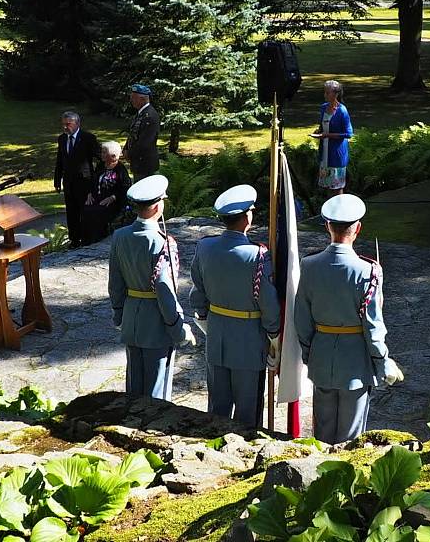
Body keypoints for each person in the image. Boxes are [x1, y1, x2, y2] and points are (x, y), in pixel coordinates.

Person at [294, 194, 404, 444]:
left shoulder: (309, 265)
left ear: (327, 226)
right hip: (356, 361)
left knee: (321, 433)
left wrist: (309, 352)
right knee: (350, 437)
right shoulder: (369, 271)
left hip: (321, 354)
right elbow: (373, 325)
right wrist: (382, 359)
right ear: (357, 229)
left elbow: (301, 316)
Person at [190, 185, 281, 427]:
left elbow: (197, 292)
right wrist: (274, 335)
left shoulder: (205, 247)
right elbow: (268, 302)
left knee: (217, 407)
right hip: (249, 340)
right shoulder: (258, 255)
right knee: (247, 411)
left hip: (217, 333)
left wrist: (205, 320)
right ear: (247, 217)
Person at [108, 174, 195, 400]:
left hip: (131, 320)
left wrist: (119, 315)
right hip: (156, 326)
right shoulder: (161, 242)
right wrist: (178, 328)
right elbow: (165, 291)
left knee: (133, 390)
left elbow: (115, 282)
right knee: (157, 395)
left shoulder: (120, 236)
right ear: (157, 206)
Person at [54, 111, 100, 249]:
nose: (65, 127)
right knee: (71, 212)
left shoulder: (88, 138)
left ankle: (87, 239)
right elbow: (60, 160)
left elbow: (99, 157)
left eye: (68, 124)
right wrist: (57, 180)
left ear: (77, 123)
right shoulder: (62, 139)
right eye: (63, 124)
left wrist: (95, 178)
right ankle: (74, 240)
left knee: (84, 211)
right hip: (69, 182)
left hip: (84, 182)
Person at [83, 140, 132, 244]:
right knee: (86, 209)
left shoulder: (120, 169)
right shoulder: (101, 166)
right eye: (102, 152)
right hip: (98, 197)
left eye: (105, 152)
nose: (102, 154)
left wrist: (113, 197)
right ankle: (87, 241)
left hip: (113, 200)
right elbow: (93, 181)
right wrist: (89, 193)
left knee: (99, 211)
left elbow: (125, 188)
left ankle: (99, 239)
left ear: (113, 155)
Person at [310, 80, 352, 197]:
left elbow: (348, 133)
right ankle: (329, 212)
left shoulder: (342, 111)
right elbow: (323, 125)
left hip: (336, 154)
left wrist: (327, 135)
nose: (325, 95)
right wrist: (319, 131)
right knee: (328, 185)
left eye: (328, 93)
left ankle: (339, 212)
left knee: (337, 186)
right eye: (325, 92)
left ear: (336, 94)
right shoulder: (323, 108)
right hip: (325, 153)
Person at [124, 84, 160, 181]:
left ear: (143, 99)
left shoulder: (150, 116)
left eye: (134, 98)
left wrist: (130, 153)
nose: (131, 100)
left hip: (145, 163)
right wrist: (126, 148)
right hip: (138, 162)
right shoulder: (140, 114)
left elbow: (145, 142)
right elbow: (133, 134)